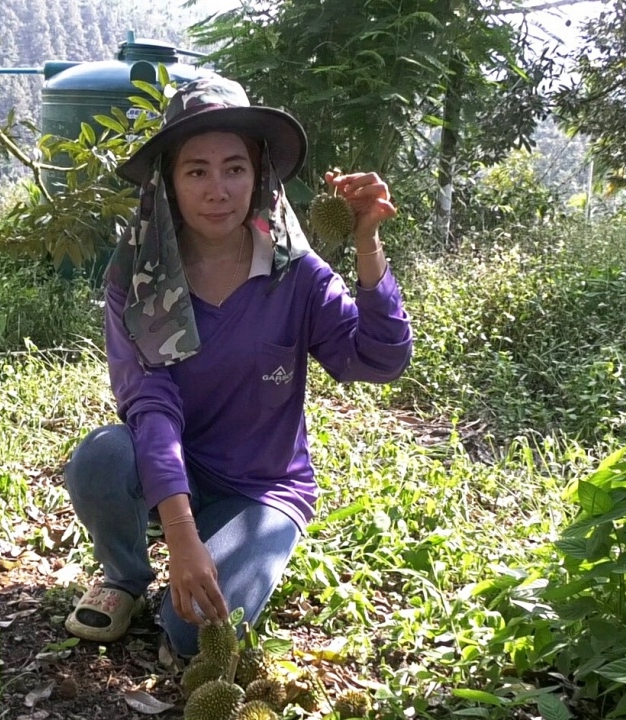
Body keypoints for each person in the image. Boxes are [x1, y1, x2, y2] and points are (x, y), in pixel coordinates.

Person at [62, 76, 413, 657]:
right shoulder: (139, 283)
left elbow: (378, 360)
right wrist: (178, 531)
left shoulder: (297, 277)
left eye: (234, 168)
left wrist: (369, 246)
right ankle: (124, 577)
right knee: (102, 457)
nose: (218, 189)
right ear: (170, 185)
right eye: (196, 171)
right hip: (178, 475)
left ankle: (228, 549)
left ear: (258, 179)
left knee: (195, 632)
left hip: (263, 488)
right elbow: (150, 403)